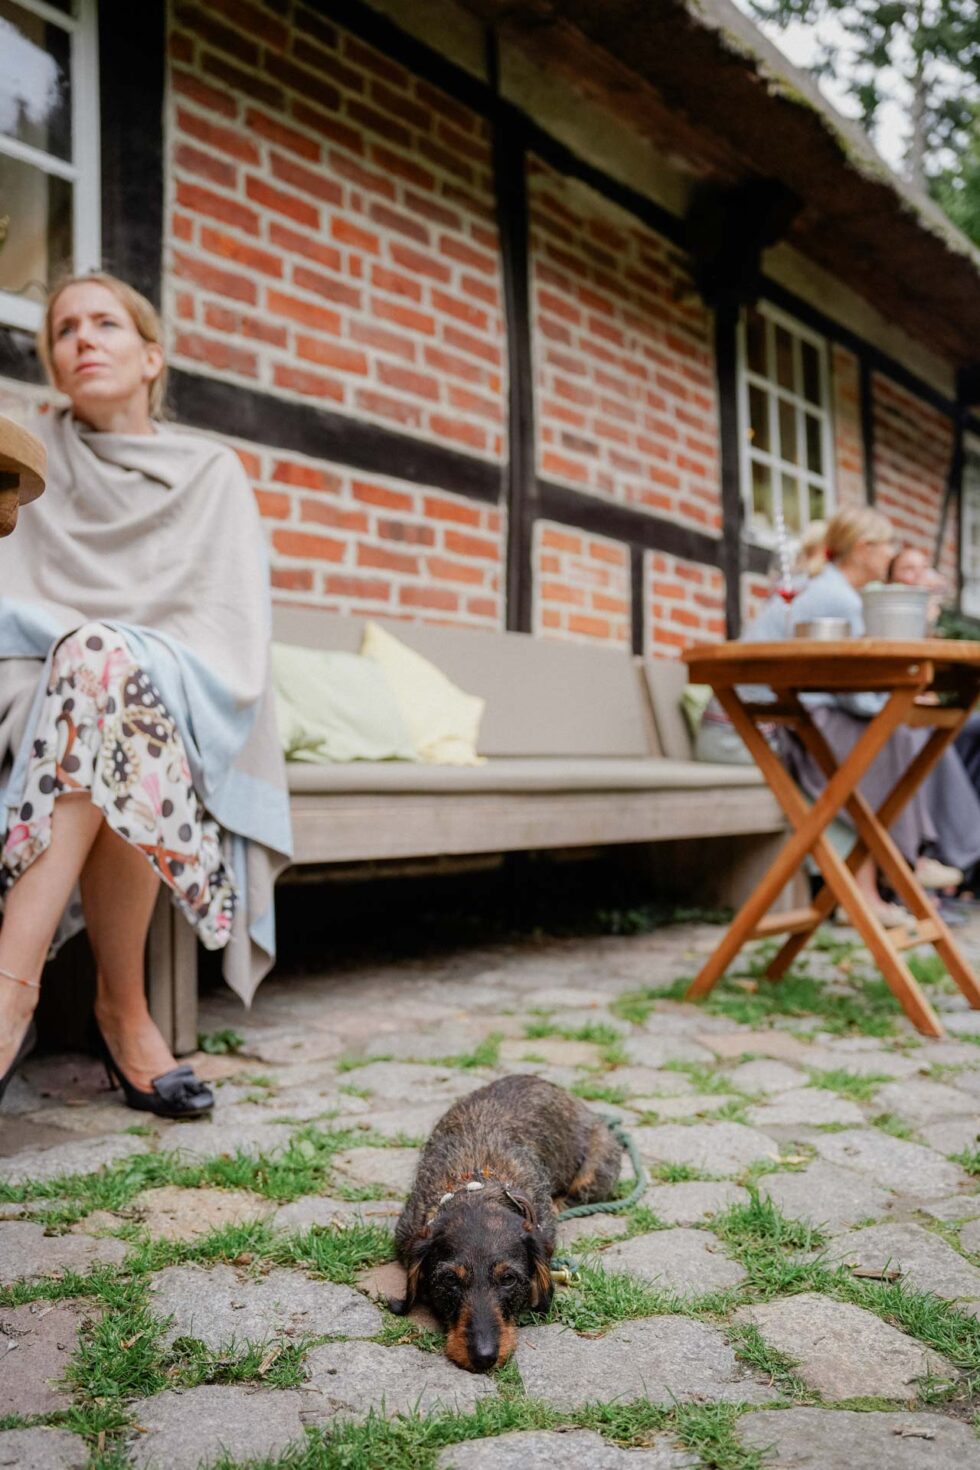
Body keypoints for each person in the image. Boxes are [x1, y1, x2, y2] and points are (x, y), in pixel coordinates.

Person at [0, 273, 291, 1114]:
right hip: (38, 680)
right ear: (54, 364)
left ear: (151, 356)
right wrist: (90, 655)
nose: (82, 339)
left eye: (105, 324)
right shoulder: (28, 459)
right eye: (64, 330)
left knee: (112, 677)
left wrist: (109, 656)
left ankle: (10, 995)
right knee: (98, 674)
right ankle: (120, 1011)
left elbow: (228, 627)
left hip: (180, 690)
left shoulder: (210, 472)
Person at [782, 506, 980, 921]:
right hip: (794, 719)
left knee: (901, 733)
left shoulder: (841, 592)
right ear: (863, 549)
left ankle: (913, 859)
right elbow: (850, 686)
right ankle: (911, 858)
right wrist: (893, 705)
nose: (891, 554)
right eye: (888, 545)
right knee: (894, 736)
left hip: (806, 710)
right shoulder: (836, 596)